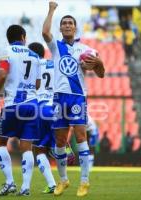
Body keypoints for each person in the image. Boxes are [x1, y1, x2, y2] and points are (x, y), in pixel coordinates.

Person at [42, 1, 105, 197]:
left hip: (77, 98)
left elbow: (101, 74)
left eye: (71, 23)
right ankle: (63, 180)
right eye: (65, 23)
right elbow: (45, 33)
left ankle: (84, 182)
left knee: (80, 138)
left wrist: (99, 63)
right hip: (59, 98)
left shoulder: (85, 50)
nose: (68, 25)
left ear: (75, 27)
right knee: (60, 141)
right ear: (60, 28)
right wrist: (52, 10)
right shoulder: (56, 46)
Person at [0, 24, 41, 196]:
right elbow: (38, 84)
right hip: (32, 104)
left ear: (8, 38)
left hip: (12, 104)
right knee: (27, 146)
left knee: (1, 142)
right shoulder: (34, 55)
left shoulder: (6, 52)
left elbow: (2, 74)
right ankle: (25, 187)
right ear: (23, 37)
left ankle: (10, 182)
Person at [28, 42, 56, 194]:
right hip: (55, 108)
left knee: (39, 150)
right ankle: (60, 147)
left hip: (39, 108)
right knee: (57, 142)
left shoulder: (31, 66)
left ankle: (52, 184)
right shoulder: (54, 64)